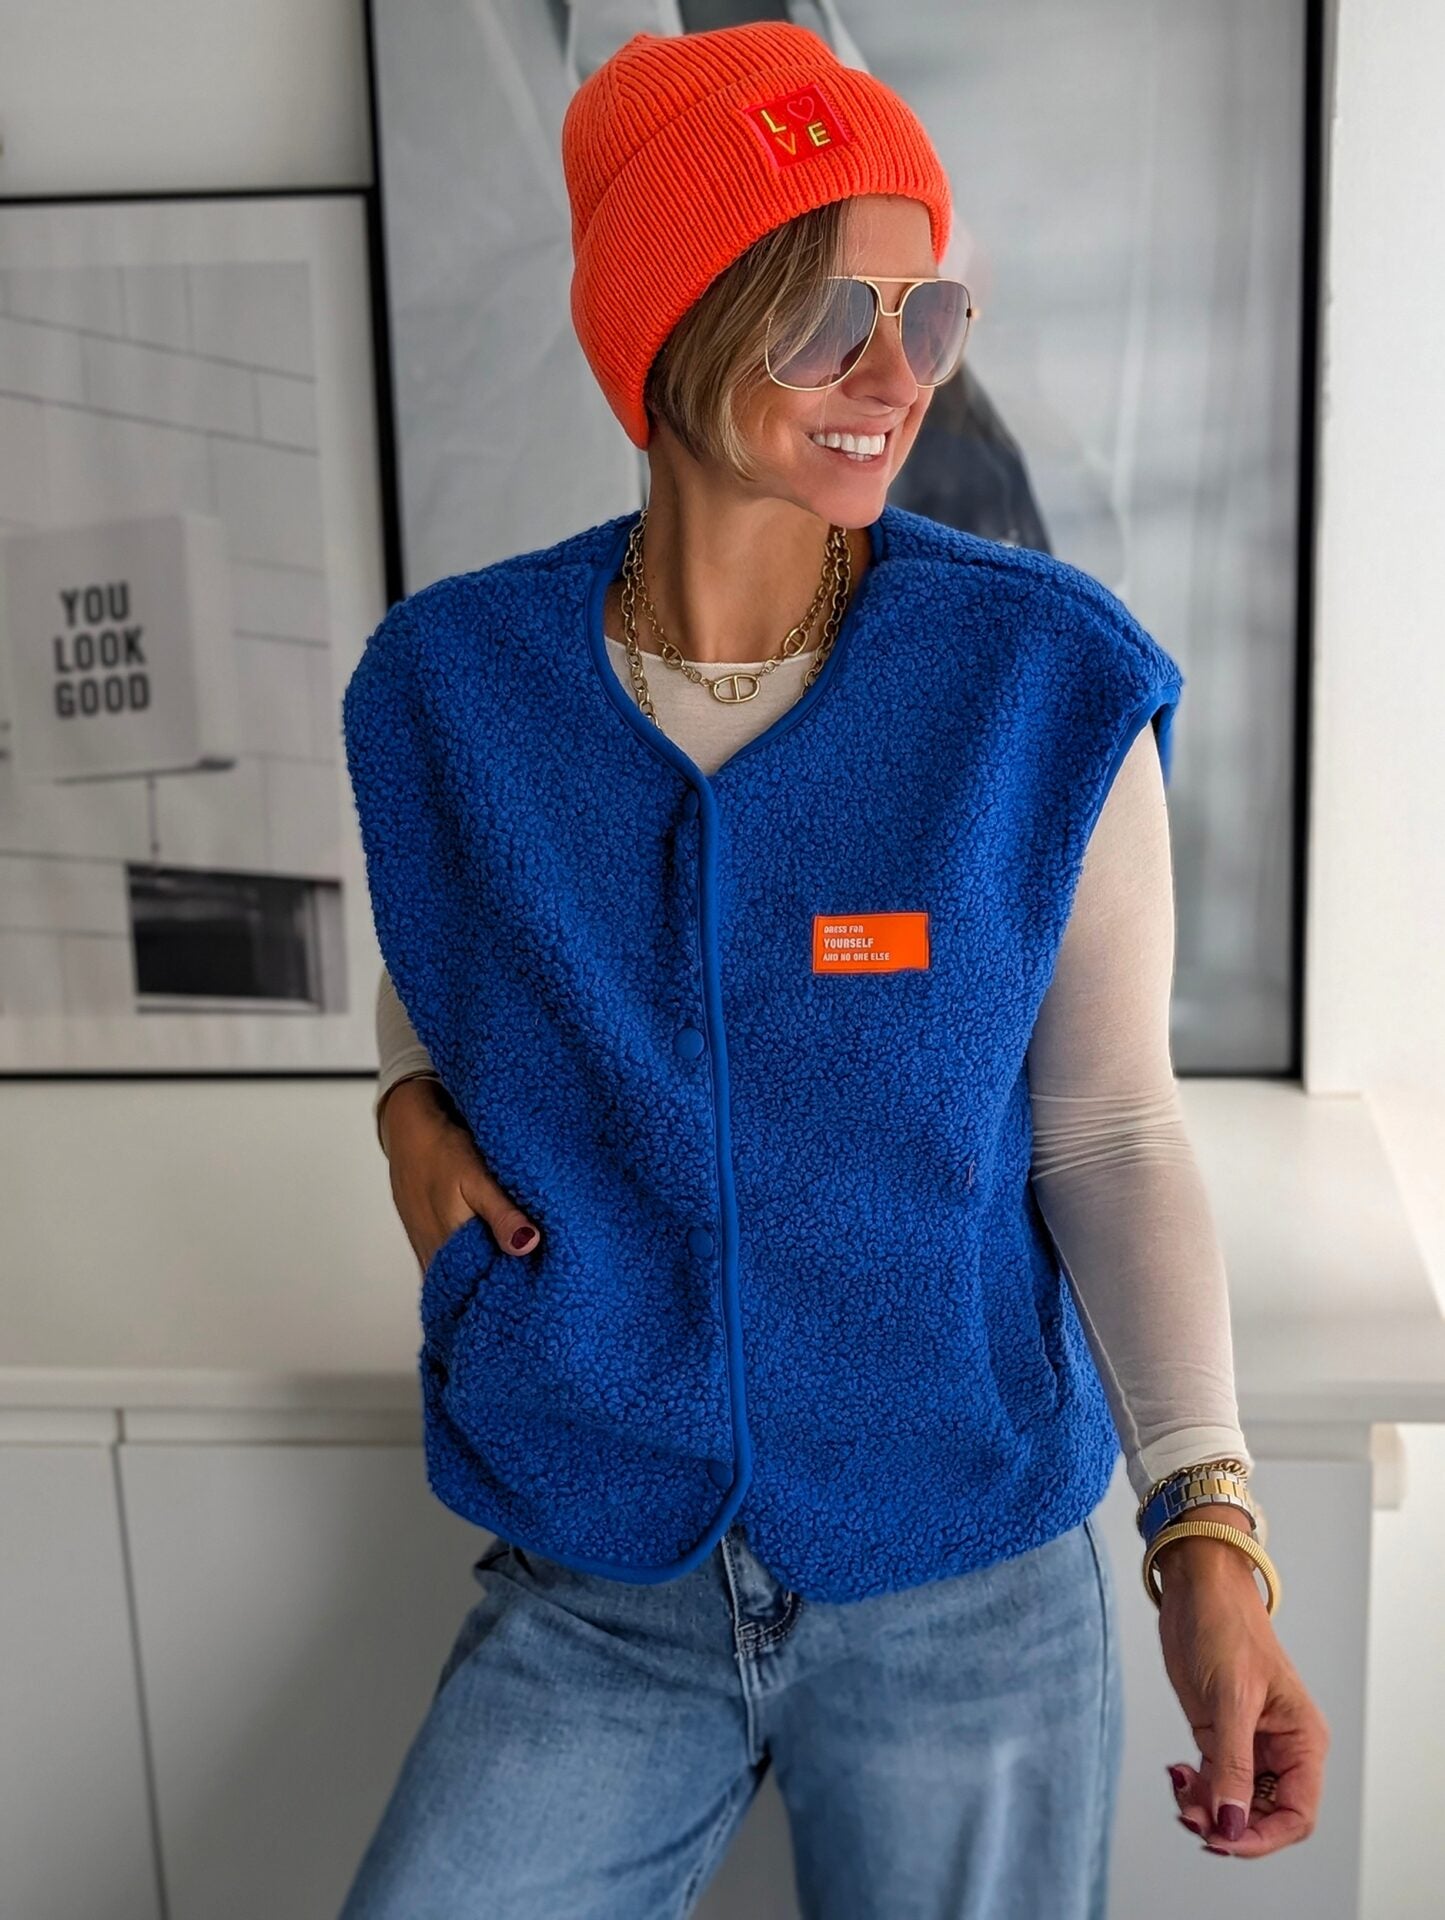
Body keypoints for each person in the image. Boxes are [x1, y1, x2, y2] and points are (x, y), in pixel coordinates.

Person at [338, 23, 1327, 1918]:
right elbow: (470, 944)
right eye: (826, 319)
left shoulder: (1041, 686)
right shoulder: (450, 688)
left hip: (964, 1584)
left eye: (926, 313)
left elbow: (1110, 1131)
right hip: (595, 1575)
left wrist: (1204, 1528)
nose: (897, 377)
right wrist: (403, 1091)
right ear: (672, 321)